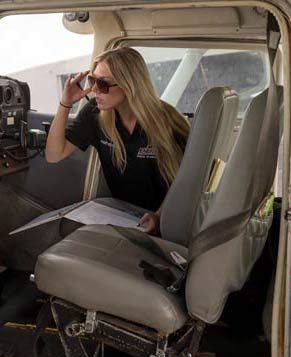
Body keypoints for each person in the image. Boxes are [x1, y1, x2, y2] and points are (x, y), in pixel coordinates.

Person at [45, 47, 191, 235]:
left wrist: (159, 216)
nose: (95, 89)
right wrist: (65, 103)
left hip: (166, 220)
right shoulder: (95, 113)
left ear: (129, 85)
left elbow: (185, 181)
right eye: (92, 80)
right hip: (126, 217)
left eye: (103, 83)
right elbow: (54, 154)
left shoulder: (168, 121)